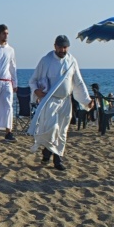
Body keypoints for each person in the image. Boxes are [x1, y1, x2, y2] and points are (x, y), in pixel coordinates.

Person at [28, 35, 93, 171]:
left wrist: (86, 101)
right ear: (55, 46)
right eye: (60, 47)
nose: (63, 50)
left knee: (62, 131)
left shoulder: (71, 61)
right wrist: (36, 91)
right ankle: (47, 151)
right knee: (51, 129)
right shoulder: (46, 61)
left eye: (65, 47)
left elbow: (78, 82)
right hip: (50, 100)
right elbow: (33, 80)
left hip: (65, 101)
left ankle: (57, 159)